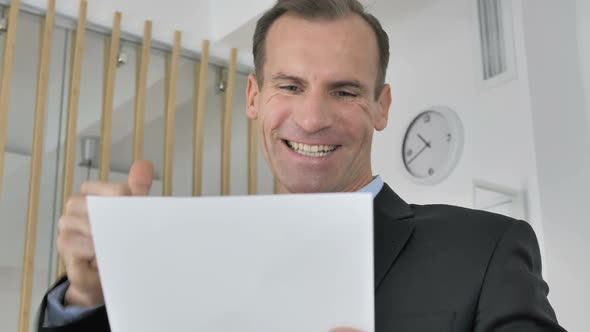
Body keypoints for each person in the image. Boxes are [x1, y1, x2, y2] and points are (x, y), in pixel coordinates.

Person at [36, 0, 567, 331]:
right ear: (253, 97)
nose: (312, 119)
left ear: (382, 106)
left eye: (343, 91)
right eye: (290, 87)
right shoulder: (193, 256)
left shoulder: (485, 249)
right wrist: (86, 299)